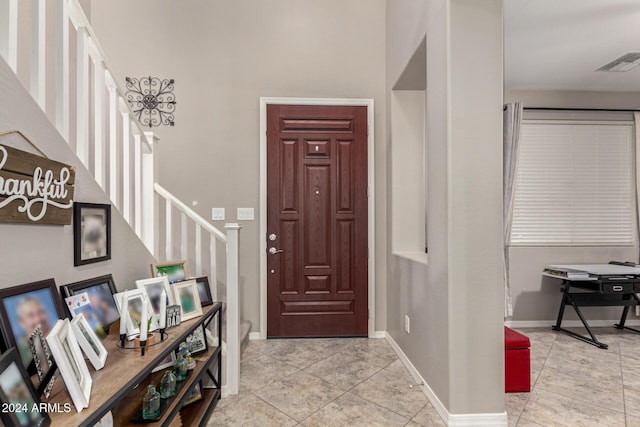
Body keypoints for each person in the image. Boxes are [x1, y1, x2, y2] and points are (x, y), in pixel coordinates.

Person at [15, 297, 51, 371]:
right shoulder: (19, 352)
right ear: (21, 322)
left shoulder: (59, 334)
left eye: (40, 312)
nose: (38, 319)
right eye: (31, 315)